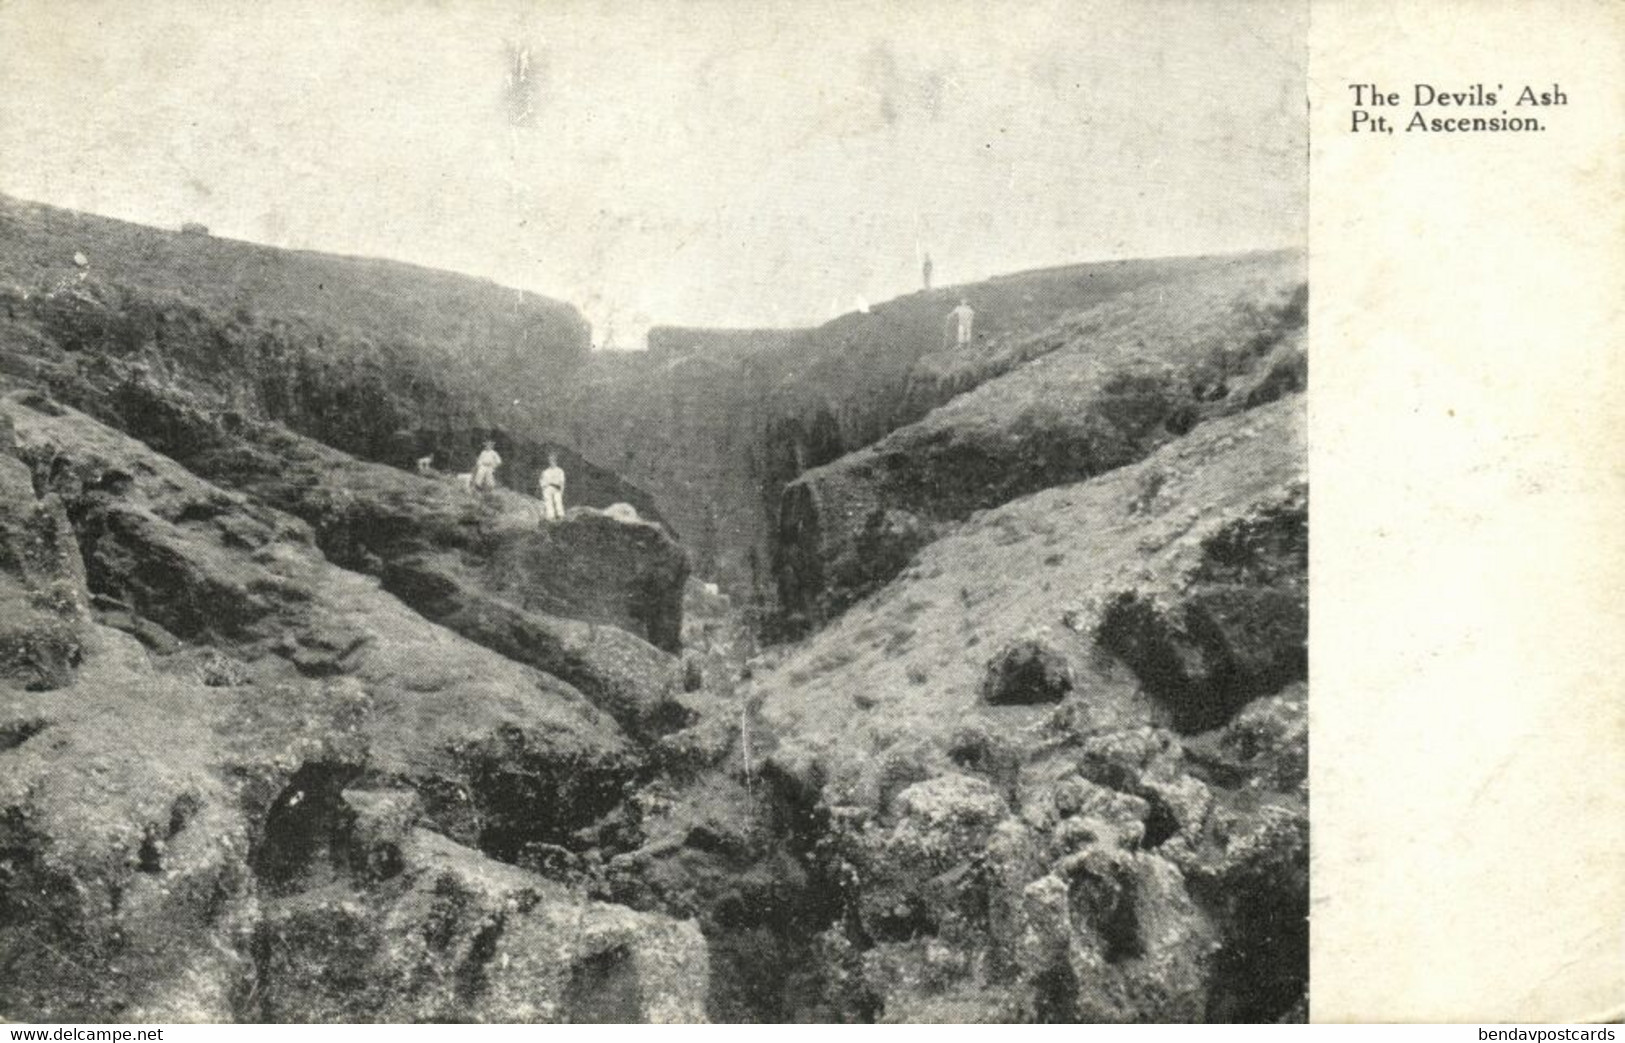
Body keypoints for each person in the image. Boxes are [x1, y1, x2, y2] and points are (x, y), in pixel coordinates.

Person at [538, 451, 566, 522]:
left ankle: (560, 515)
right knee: (548, 499)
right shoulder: (545, 472)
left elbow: (562, 482)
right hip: (548, 488)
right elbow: (542, 481)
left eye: (553, 460)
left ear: (556, 461)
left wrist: (561, 490)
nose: (551, 461)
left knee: (558, 500)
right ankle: (551, 516)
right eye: (550, 460)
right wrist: (543, 488)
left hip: (557, 488)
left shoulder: (560, 471)